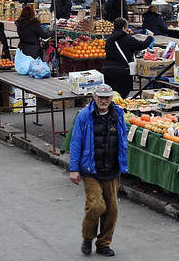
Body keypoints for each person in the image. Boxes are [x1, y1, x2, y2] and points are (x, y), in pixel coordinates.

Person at [68, 84, 129, 257]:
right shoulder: (84, 116)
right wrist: (74, 169)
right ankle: (88, 238)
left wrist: (123, 163)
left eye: (107, 98)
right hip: (91, 169)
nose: (103, 101)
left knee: (112, 210)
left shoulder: (118, 115)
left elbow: (123, 140)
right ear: (94, 97)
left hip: (112, 169)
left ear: (111, 98)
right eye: (100, 97)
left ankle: (103, 243)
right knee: (96, 206)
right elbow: (75, 142)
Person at [103, 18, 153, 98]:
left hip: (107, 70)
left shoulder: (109, 40)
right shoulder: (127, 39)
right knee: (121, 97)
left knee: (109, 97)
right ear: (124, 28)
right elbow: (141, 45)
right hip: (121, 72)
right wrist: (150, 37)